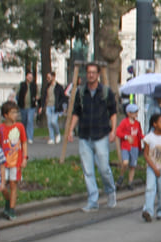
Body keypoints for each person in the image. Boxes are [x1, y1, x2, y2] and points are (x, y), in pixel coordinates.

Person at [66, 62, 119, 212]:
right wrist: (70, 130)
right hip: (84, 135)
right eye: (88, 72)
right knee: (88, 170)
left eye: (93, 72)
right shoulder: (81, 92)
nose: (91, 75)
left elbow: (113, 112)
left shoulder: (106, 92)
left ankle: (110, 191)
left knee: (104, 168)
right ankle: (93, 200)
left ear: (98, 75)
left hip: (101, 134)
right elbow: (76, 112)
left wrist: (113, 130)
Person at [0, 101, 28, 220]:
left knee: (13, 184)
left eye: (16, 112)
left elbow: (24, 142)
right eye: (13, 112)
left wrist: (25, 157)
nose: (15, 114)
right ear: (5, 115)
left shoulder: (19, 126)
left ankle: (12, 208)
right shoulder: (0, 128)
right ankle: (8, 201)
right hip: (4, 162)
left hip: (16, 162)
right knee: (3, 186)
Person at [140, 112, 161, 222]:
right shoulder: (149, 138)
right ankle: (148, 211)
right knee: (150, 188)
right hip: (151, 168)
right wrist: (154, 168)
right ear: (154, 124)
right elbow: (146, 154)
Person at [115, 103, 144, 190]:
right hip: (126, 146)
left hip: (135, 147)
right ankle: (121, 176)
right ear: (129, 113)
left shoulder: (137, 124)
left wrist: (146, 138)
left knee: (132, 165)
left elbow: (140, 135)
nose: (136, 114)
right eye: (134, 112)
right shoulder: (124, 122)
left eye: (136, 112)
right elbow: (118, 132)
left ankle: (130, 182)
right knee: (125, 162)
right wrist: (126, 137)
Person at [41, 71, 67, 145]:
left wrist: (61, 105)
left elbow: (63, 97)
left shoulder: (59, 87)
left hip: (56, 107)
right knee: (49, 123)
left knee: (53, 121)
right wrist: (42, 106)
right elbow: (44, 97)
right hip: (48, 106)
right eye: (47, 78)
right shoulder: (47, 87)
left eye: (49, 77)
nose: (47, 79)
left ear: (53, 77)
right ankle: (51, 138)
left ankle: (58, 134)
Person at [16, 70, 38, 144]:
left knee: (30, 120)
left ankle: (30, 137)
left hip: (31, 106)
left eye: (31, 77)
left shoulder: (34, 85)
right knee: (24, 121)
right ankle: (23, 136)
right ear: (26, 77)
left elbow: (37, 94)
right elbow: (17, 92)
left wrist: (37, 97)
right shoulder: (22, 84)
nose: (30, 78)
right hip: (23, 106)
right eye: (29, 77)